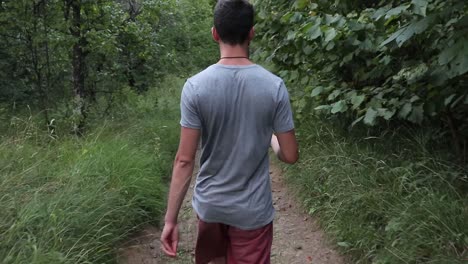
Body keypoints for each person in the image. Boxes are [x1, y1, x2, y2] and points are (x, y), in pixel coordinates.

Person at [160, 0, 298, 263]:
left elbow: (185, 160)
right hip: (252, 213)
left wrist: (170, 220)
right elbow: (290, 155)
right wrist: (271, 138)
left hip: (210, 207)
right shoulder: (274, 86)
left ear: (215, 33)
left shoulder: (195, 87)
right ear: (251, 33)